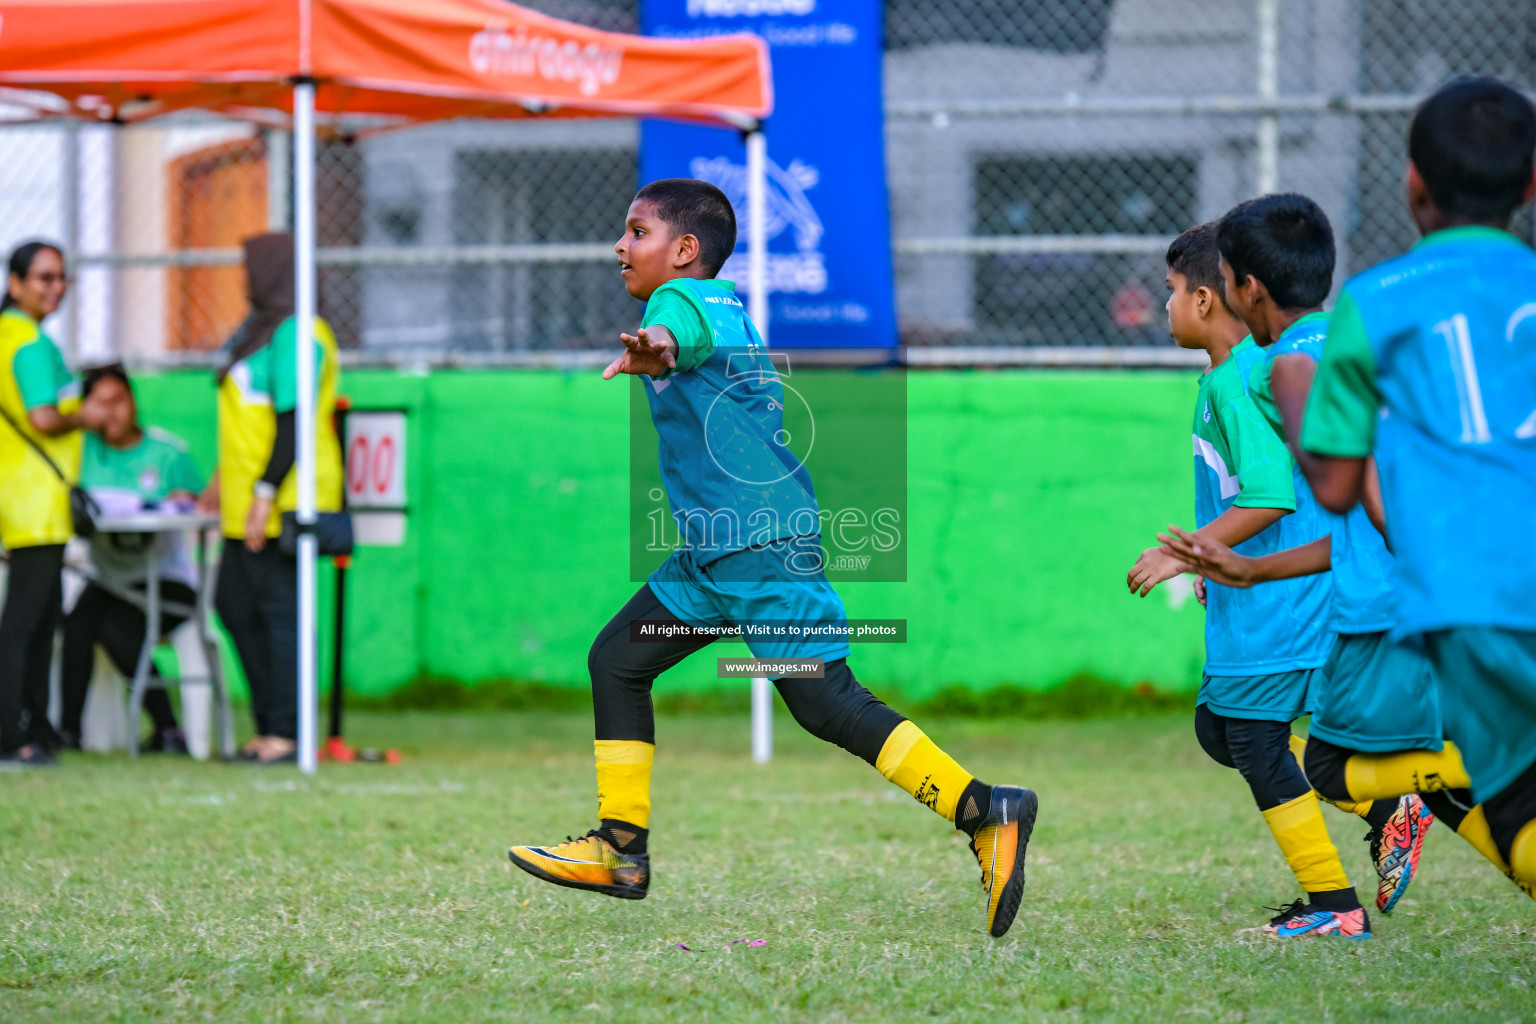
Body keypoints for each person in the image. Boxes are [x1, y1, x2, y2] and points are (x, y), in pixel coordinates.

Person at [507, 179, 1038, 938]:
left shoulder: (677, 304)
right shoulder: (726, 305)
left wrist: (654, 352)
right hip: (715, 555)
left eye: (636, 232)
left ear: (684, 252)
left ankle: (987, 810)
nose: (620, 247)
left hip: (757, 547)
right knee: (619, 660)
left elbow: (673, 338)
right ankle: (619, 849)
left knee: (825, 702)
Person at [1160, 191, 1530, 903]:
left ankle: (1343, 895)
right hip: (1420, 586)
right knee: (1279, 742)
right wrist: (1249, 565)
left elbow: (1331, 493)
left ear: (1242, 290)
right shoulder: (1358, 334)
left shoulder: (1275, 371)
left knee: (1333, 760)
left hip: (1375, 606)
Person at [1298, 77, 1536, 890]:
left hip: (1475, 598)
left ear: (1412, 182)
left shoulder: (1375, 301)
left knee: (1519, 811)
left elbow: (1332, 484)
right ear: (1530, 182)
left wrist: (1308, 406)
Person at [1125, 223, 1370, 940]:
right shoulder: (1227, 380)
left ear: (1206, 299)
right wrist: (1211, 559)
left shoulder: (1235, 382)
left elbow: (1269, 494)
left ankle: (1341, 896)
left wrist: (1192, 551)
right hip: (1252, 599)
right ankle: (1386, 811)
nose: (1164, 307)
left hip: (1278, 607)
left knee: (1261, 744)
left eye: (1170, 293)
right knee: (1220, 731)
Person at [200, 233, 343, 764]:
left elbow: (294, 420)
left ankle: (285, 732)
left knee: (278, 613)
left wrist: (263, 495)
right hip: (248, 501)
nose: (241, 277)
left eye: (247, 267)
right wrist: (220, 482)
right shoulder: (263, 331)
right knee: (234, 605)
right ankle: (271, 726)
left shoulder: (300, 332)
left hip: (285, 500)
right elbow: (252, 418)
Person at [58, 364, 205, 755]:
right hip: (107, 578)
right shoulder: (78, 452)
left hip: (166, 581)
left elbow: (204, 505)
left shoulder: (168, 452)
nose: (112, 412)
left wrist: (186, 502)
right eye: (100, 403)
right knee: (77, 626)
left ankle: (169, 731)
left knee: (117, 628)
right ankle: (68, 733)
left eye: (119, 401)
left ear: (134, 402)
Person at [0, 241, 104, 768]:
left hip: (14, 493)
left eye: (62, 278)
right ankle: (10, 734)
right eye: (43, 278)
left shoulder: (6, 336)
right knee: (26, 623)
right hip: (36, 500)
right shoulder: (31, 344)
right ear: (15, 283)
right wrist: (86, 416)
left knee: (36, 621)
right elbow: (43, 418)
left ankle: (37, 727)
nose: (55, 287)